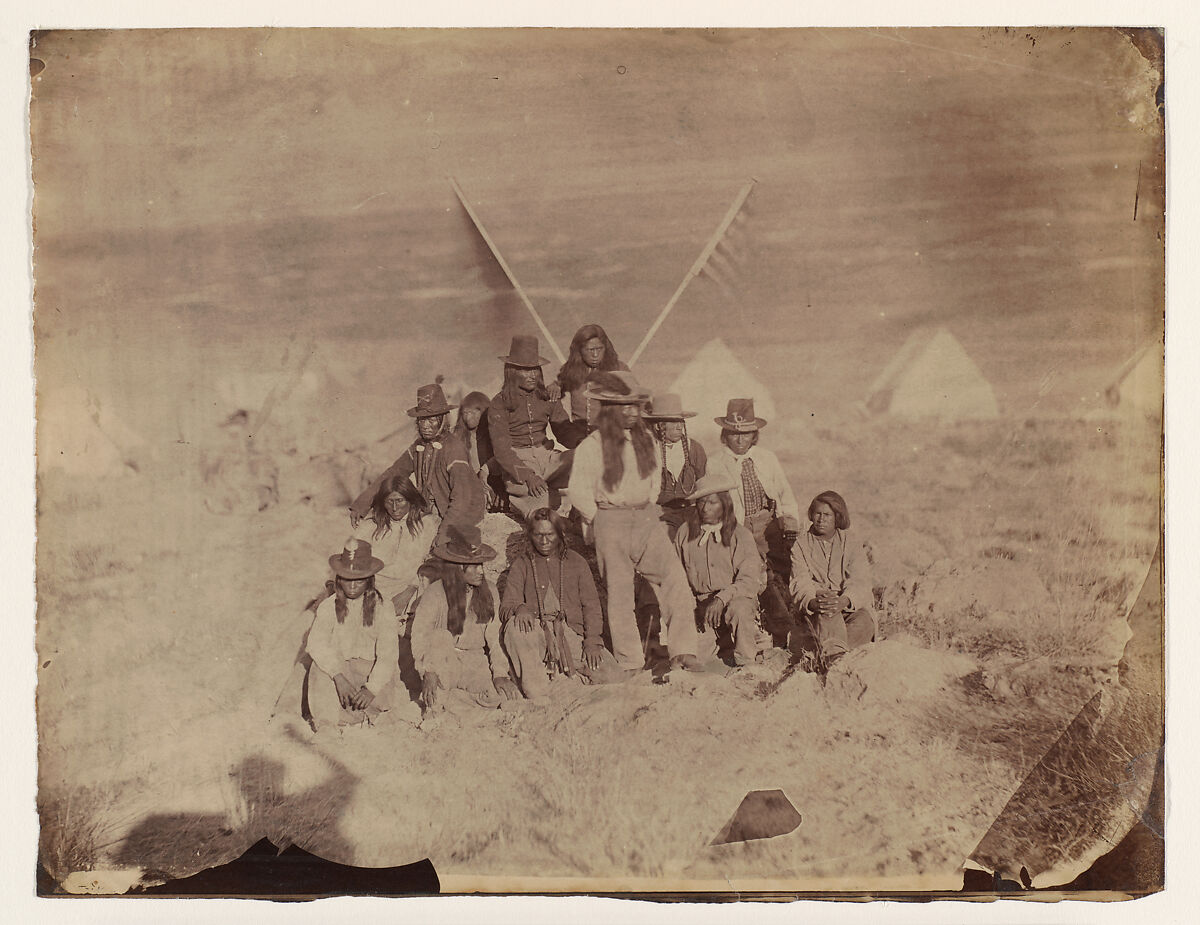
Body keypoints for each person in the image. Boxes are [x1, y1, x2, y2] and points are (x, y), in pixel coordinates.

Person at [567, 371, 703, 673]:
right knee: (620, 592)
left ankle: (683, 651)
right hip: (609, 519)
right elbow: (578, 489)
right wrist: (598, 518)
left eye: (635, 405)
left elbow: (654, 479)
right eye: (624, 406)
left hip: (645, 518)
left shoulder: (646, 441)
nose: (631, 412)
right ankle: (630, 661)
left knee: (674, 579)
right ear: (609, 407)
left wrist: (647, 505)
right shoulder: (592, 445)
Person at [499, 508, 625, 699]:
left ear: (559, 534)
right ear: (530, 535)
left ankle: (565, 674)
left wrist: (592, 641)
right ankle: (538, 687)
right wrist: (520, 607)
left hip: (570, 634)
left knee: (613, 676)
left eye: (549, 534)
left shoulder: (577, 562)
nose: (544, 541)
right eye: (538, 535)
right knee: (515, 627)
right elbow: (506, 605)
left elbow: (591, 606)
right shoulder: (522, 564)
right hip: (537, 635)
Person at [707, 398, 800, 639]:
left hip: (768, 524)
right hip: (738, 528)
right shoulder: (715, 462)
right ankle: (774, 628)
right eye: (734, 434)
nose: (740, 440)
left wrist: (788, 523)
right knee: (756, 576)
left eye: (746, 434)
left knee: (782, 572)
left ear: (754, 435)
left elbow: (783, 492)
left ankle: (793, 623)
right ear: (725, 435)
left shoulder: (766, 458)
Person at [349, 383, 484, 546]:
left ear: (442, 420)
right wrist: (362, 504)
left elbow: (462, 497)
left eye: (432, 419)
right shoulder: (418, 447)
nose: (426, 425)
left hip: (460, 512)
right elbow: (393, 472)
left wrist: (445, 531)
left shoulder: (453, 449)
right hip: (432, 508)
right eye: (422, 420)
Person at [409, 524, 520, 711]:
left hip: (474, 660)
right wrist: (428, 671)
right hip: (443, 660)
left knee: (498, 697)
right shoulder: (435, 592)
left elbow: (494, 637)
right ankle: (445, 699)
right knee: (440, 637)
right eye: (475, 567)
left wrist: (500, 673)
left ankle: (456, 699)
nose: (482, 572)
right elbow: (419, 636)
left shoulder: (490, 590)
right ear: (459, 568)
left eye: (481, 566)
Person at [304, 538, 403, 731]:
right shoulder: (328, 606)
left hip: (371, 680)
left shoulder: (384, 607)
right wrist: (338, 677)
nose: (352, 586)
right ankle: (326, 727)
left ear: (369, 580)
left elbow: (388, 655)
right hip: (343, 679)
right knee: (319, 665)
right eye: (347, 579)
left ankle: (364, 716)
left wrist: (371, 689)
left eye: (359, 580)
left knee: (383, 702)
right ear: (339, 579)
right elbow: (315, 644)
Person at [674, 475, 766, 668]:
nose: (705, 508)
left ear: (725, 504)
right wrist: (690, 605)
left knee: (740, 609)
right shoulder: (684, 533)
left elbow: (749, 581)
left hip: (733, 602)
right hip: (701, 608)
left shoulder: (740, 535)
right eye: (701, 502)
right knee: (691, 661)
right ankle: (721, 643)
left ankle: (747, 663)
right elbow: (676, 576)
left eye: (712, 502)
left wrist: (721, 599)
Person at [488, 335, 574, 518]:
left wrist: (592, 443)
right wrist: (528, 476)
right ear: (512, 371)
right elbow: (502, 451)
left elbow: (565, 433)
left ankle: (578, 514)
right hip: (519, 461)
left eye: (535, 369)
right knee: (543, 510)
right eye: (525, 370)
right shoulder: (499, 403)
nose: (533, 375)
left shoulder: (547, 396)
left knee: (587, 461)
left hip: (548, 458)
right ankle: (524, 500)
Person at [789, 490, 876, 665]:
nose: (821, 519)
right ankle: (836, 662)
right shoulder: (801, 545)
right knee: (827, 615)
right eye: (817, 514)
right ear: (811, 516)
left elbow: (861, 579)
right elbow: (800, 580)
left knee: (865, 622)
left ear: (838, 517)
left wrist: (844, 600)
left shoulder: (851, 542)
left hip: (849, 605)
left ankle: (826, 656)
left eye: (827, 515)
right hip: (820, 608)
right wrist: (814, 602)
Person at [355, 475, 438, 614]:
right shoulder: (371, 525)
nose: (394, 508)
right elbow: (352, 557)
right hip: (373, 589)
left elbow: (431, 565)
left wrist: (407, 594)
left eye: (399, 501)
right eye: (389, 502)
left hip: (410, 589)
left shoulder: (427, 524)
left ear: (410, 499)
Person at [553, 324, 629, 448]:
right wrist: (555, 386)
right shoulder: (572, 370)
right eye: (590, 350)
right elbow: (559, 385)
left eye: (599, 349)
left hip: (611, 441)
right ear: (579, 350)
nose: (595, 355)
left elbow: (637, 402)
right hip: (580, 443)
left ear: (606, 348)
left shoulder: (620, 369)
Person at [643, 392, 707, 538]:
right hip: (661, 514)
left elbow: (704, 484)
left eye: (681, 422)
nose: (679, 427)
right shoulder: (648, 450)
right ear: (659, 426)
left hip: (692, 513)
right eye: (673, 422)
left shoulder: (694, 448)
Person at [452, 390, 504, 511]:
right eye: (466, 412)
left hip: (493, 484)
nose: (469, 416)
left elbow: (501, 463)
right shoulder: (457, 436)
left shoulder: (495, 434)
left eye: (474, 412)